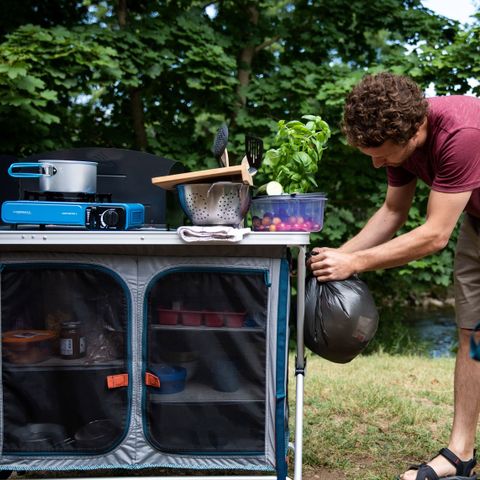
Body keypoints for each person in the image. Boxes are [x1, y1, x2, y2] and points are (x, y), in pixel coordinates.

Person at [308, 72, 480, 480]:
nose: (376, 162)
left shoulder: (463, 132)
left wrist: (356, 264)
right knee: (473, 333)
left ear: (415, 130)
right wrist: (333, 259)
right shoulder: (398, 140)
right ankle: (460, 456)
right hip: (478, 221)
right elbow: (392, 213)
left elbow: (435, 234)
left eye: (382, 154)